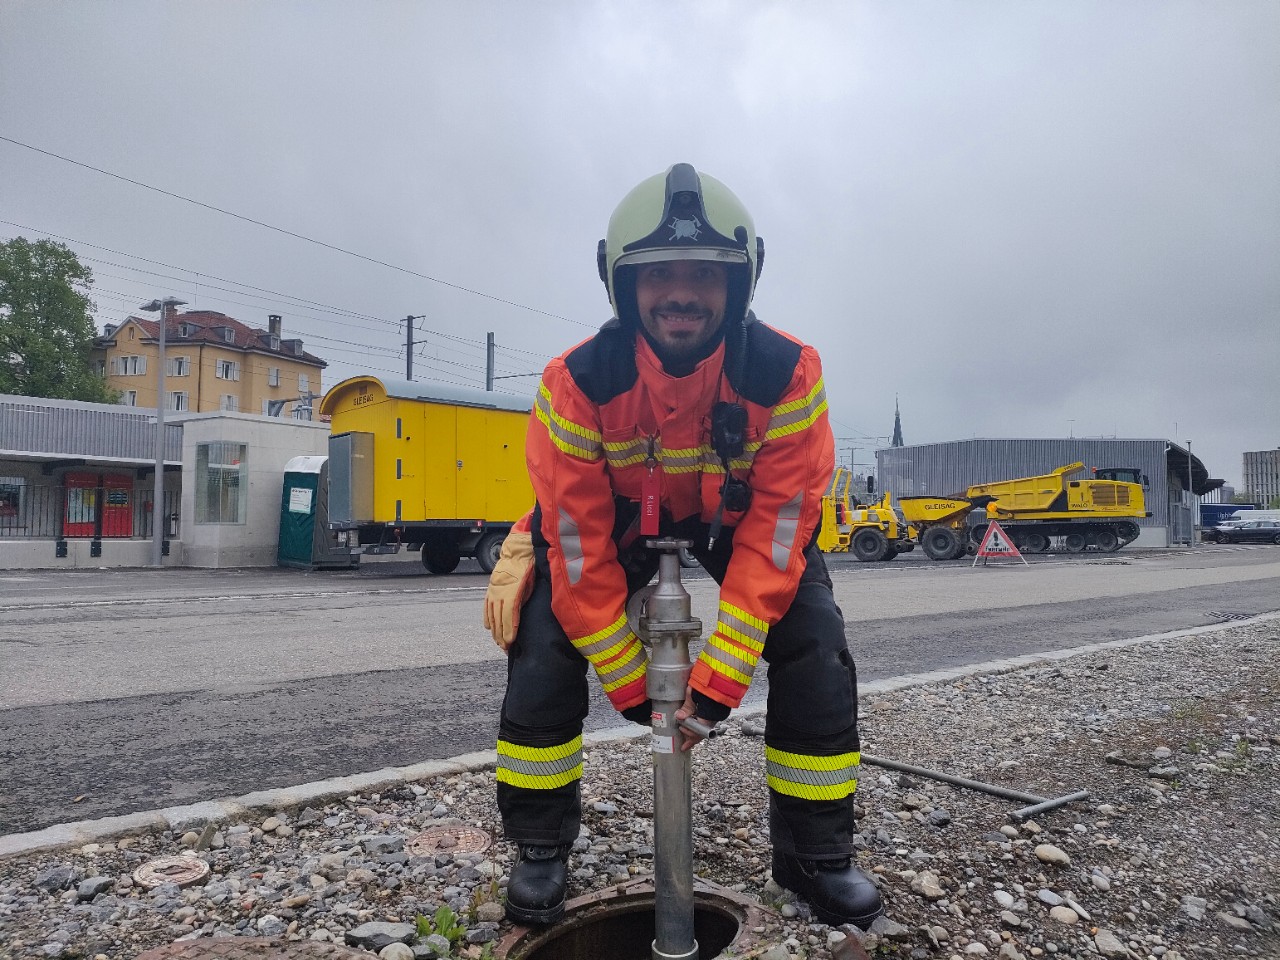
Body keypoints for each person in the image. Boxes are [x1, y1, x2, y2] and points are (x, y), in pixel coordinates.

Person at [482, 163, 883, 930]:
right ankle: (539, 847)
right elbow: (576, 541)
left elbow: (781, 529)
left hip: (733, 519)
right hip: (621, 520)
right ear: (623, 283)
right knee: (542, 638)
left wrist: (718, 684)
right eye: (660, 273)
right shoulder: (576, 382)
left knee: (815, 637)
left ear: (739, 282)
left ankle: (816, 856)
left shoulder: (788, 373)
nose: (682, 293)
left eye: (704, 273)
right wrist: (632, 684)